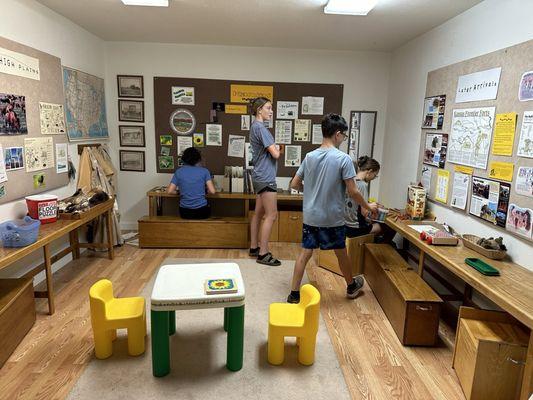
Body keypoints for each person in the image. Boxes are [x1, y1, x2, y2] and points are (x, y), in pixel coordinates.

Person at [287, 113, 378, 303]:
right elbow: (353, 191)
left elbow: (294, 184)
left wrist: (310, 190)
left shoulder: (309, 156)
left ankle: (293, 294)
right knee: (340, 252)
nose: (344, 139)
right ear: (337, 134)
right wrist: (368, 205)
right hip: (332, 218)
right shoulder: (343, 159)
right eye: (344, 136)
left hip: (311, 217)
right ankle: (351, 285)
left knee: (305, 253)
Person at [249, 97, 282, 266]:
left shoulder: (255, 127)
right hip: (265, 177)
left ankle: (254, 247)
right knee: (272, 215)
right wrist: (279, 148)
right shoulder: (260, 128)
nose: (271, 111)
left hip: (259, 176)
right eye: (268, 108)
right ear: (259, 109)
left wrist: (275, 147)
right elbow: (275, 154)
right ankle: (263, 253)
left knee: (259, 213)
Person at [344, 156, 396, 243]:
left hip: (345, 225)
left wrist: (369, 204)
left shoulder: (350, 181)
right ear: (370, 171)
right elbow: (365, 213)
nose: (373, 178)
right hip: (355, 229)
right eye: (374, 175)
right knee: (389, 227)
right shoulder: (363, 185)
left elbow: (355, 203)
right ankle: (378, 249)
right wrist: (375, 210)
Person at [167, 147, 215, 219]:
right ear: (198, 159)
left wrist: (178, 192)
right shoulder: (205, 171)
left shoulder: (179, 171)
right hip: (202, 211)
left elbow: (169, 191)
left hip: (184, 212)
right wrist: (204, 191)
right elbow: (212, 191)